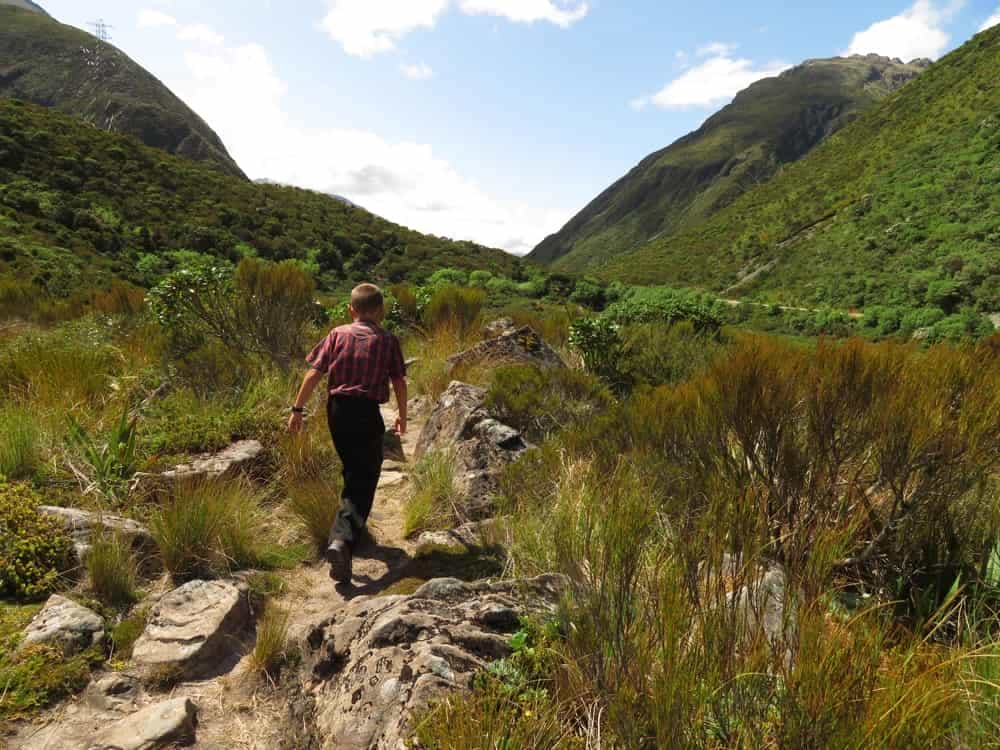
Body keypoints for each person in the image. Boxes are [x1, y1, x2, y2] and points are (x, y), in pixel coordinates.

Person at [287, 283, 407, 583]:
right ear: (381, 310)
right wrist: (403, 416)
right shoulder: (388, 340)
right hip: (366, 412)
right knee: (364, 476)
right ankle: (343, 540)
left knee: (354, 471)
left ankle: (346, 536)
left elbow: (314, 372)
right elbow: (399, 381)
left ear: (351, 310)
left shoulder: (337, 334)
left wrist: (297, 410)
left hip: (337, 411)